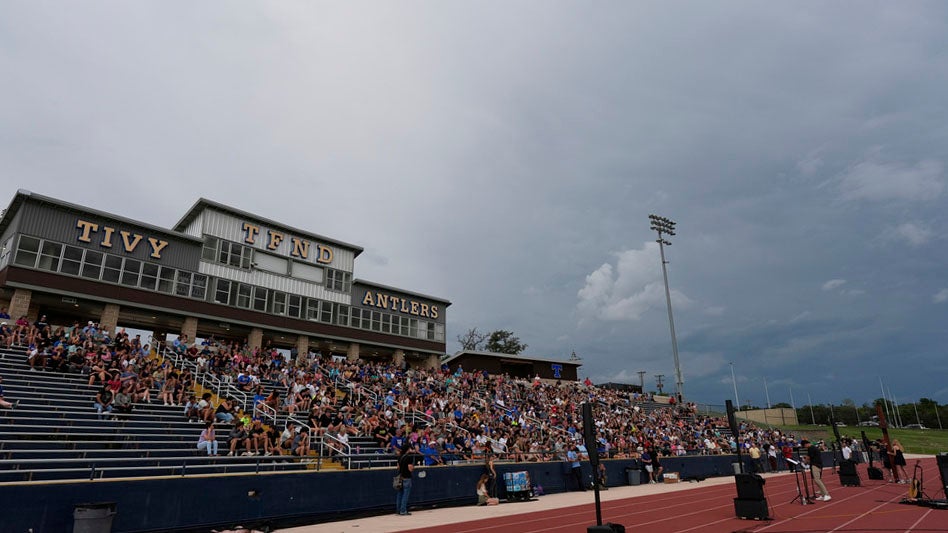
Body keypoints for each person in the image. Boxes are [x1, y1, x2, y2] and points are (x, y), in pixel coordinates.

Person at [395, 444, 415, 516]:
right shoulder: (409, 457)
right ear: (407, 449)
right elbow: (410, 468)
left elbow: (398, 467)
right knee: (405, 495)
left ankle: (398, 510)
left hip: (400, 477)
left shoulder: (400, 457)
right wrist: (413, 467)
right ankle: (403, 510)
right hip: (407, 477)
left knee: (399, 494)